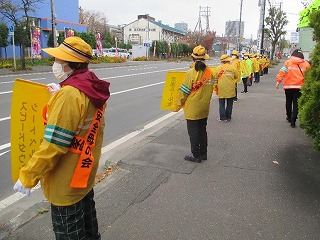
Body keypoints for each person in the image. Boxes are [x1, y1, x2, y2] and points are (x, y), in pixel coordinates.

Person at [13, 36, 110, 239]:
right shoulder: (90, 87)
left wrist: (29, 176)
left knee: (70, 232)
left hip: (66, 180)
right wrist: (60, 93)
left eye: (58, 60)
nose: (55, 64)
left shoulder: (70, 95)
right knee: (89, 229)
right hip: (83, 174)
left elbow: (54, 143)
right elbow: (83, 123)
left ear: (68, 64)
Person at [171, 45, 216, 163]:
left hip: (193, 107)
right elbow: (213, 86)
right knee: (202, 130)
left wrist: (176, 106)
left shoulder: (191, 73)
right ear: (205, 58)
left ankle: (196, 155)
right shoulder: (210, 72)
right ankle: (204, 154)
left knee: (193, 132)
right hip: (205, 106)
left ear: (193, 58)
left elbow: (184, 91)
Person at [276, 49, 310, 128]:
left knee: (288, 102)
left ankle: (289, 117)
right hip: (299, 87)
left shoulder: (288, 62)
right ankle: (293, 121)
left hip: (288, 86)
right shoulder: (306, 64)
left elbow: (282, 72)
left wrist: (278, 81)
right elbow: (308, 76)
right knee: (296, 103)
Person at [214, 54, 239, 122]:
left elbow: (215, 79)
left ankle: (222, 118)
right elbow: (237, 76)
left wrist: (215, 86)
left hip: (221, 88)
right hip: (230, 87)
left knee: (221, 104)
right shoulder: (232, 68)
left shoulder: (218, 68)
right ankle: (228, 117)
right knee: (229, 103)